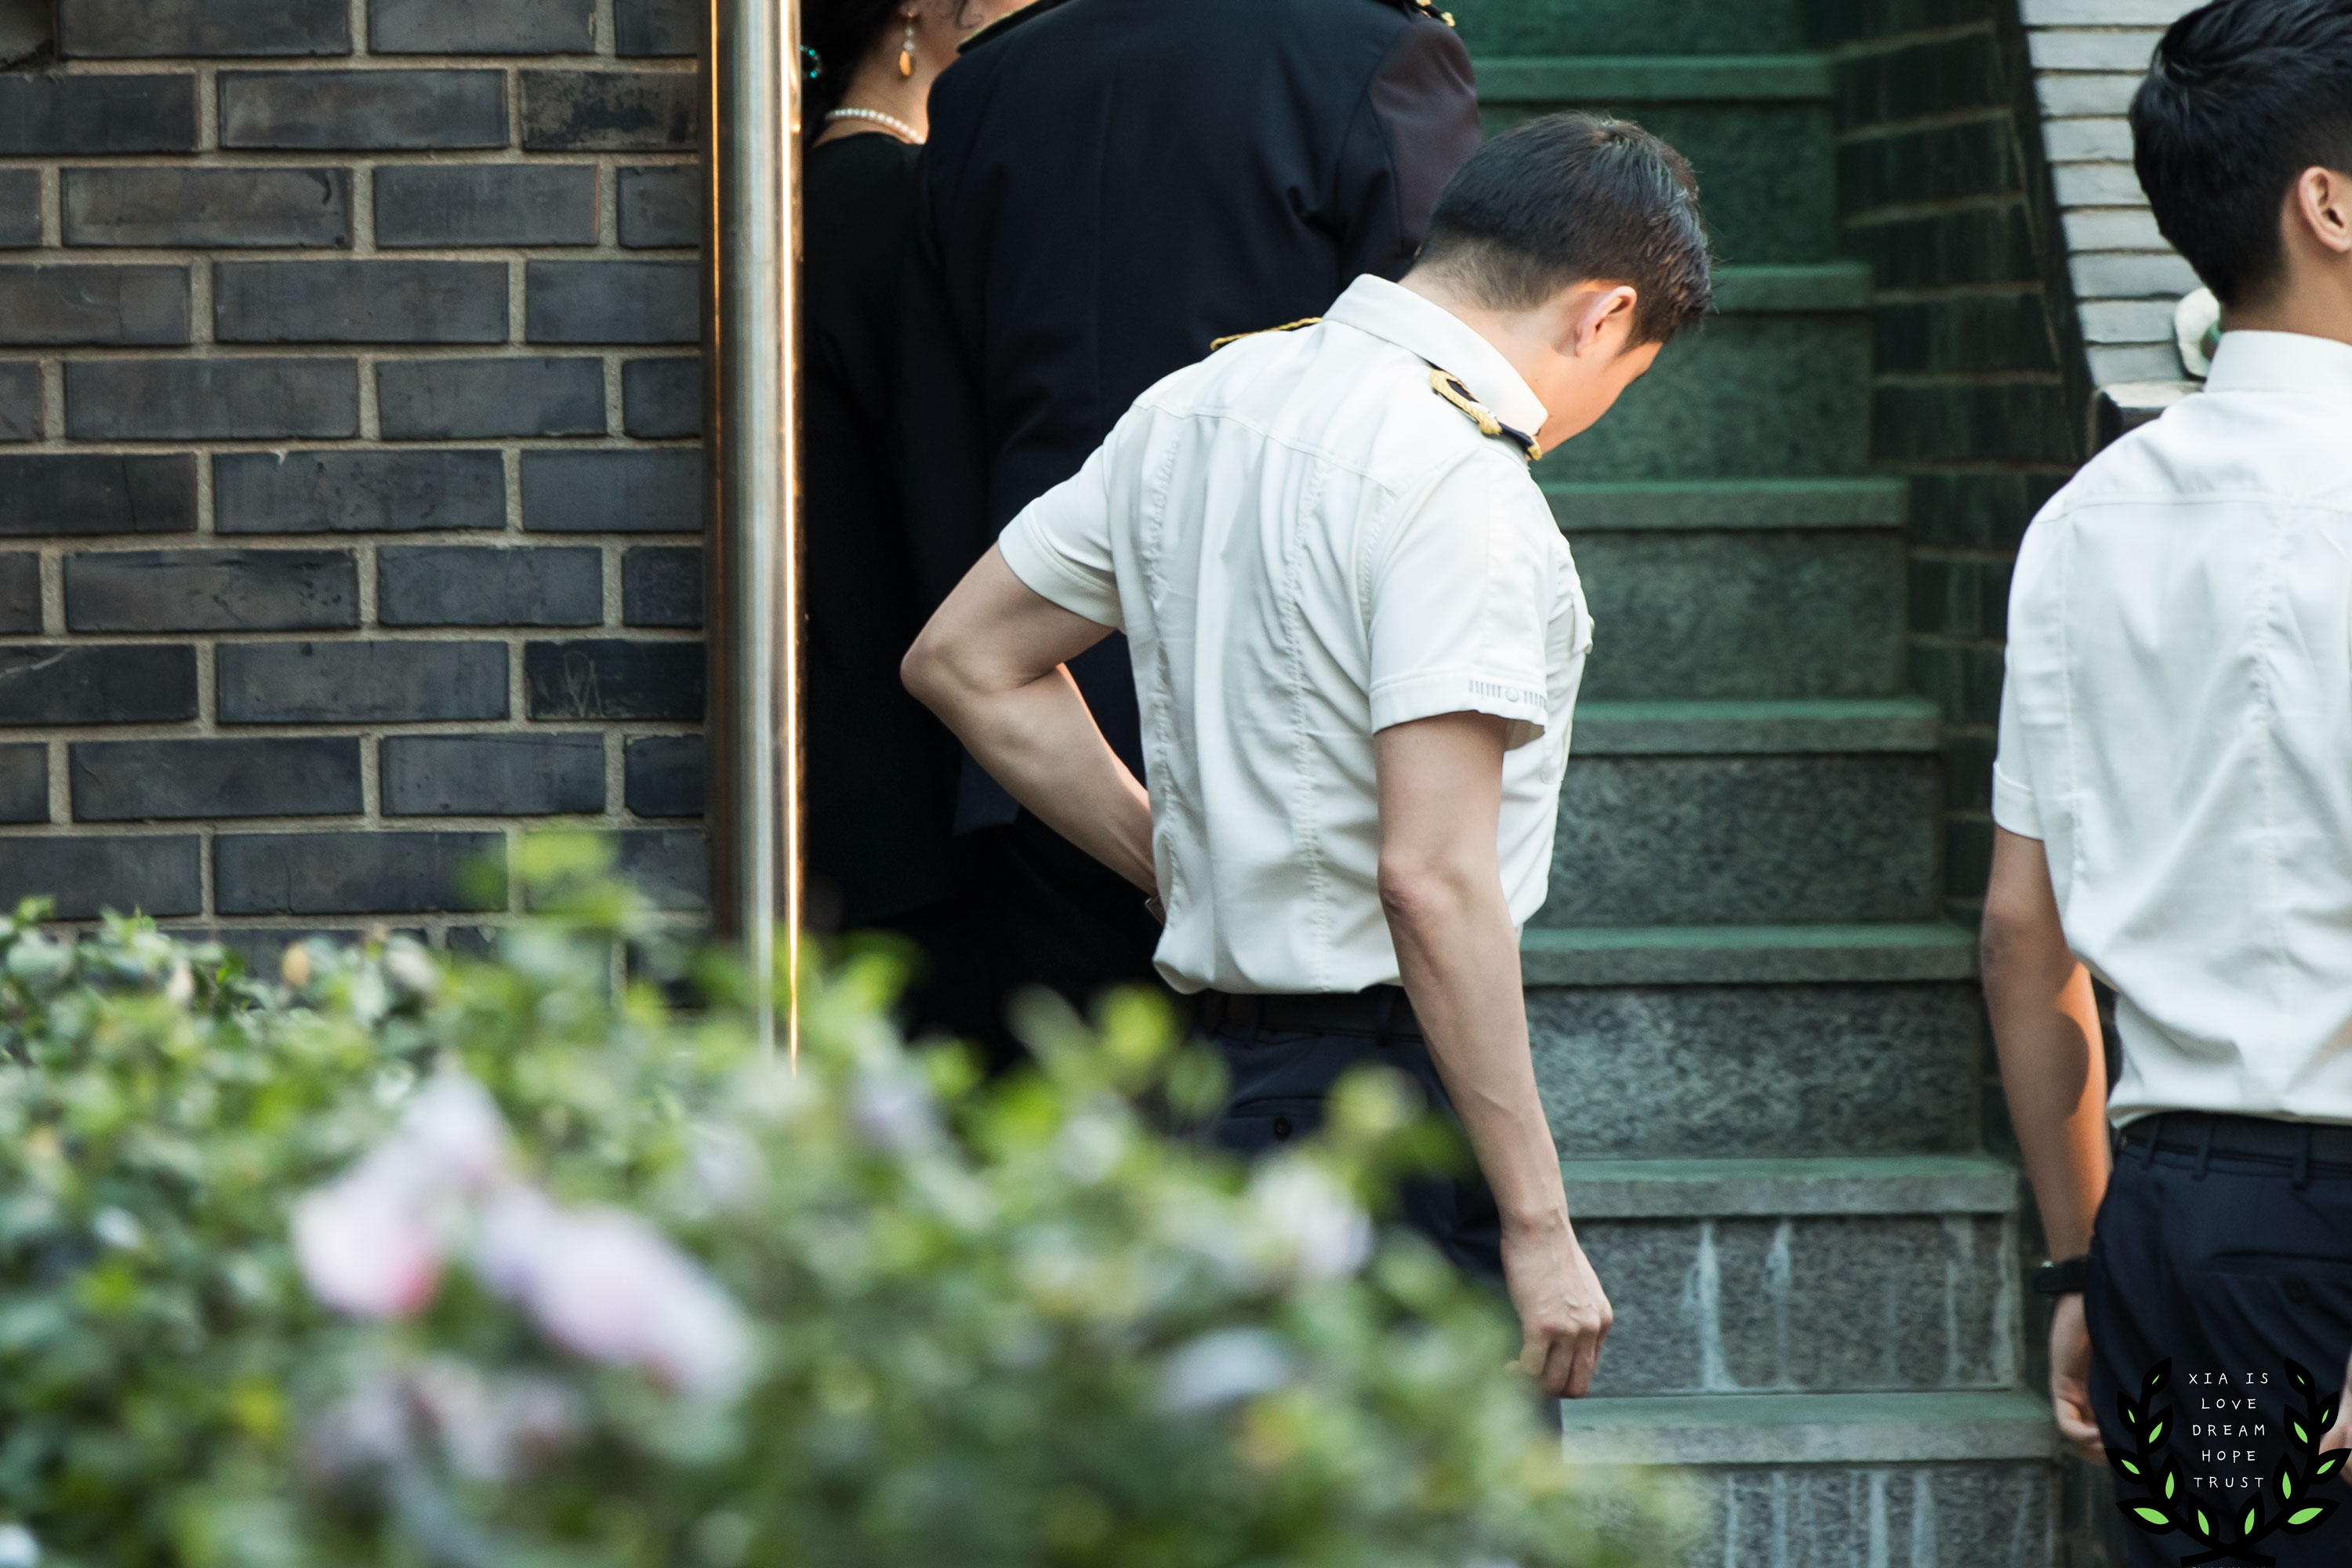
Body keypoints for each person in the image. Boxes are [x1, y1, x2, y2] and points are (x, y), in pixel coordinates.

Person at [903, 114, 1713, 1399]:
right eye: (1628, 377)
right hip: (1380, 1115)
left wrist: (1177, 858)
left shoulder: (1198, 403)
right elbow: (1432, 880)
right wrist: (1539, 1224)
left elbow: (965, 659)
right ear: (1603, 315)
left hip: (1209, 1100)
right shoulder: (1466, 490)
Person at [898, 0, 1486, 1029]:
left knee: (1075, 1110)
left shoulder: (989, 80)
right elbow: (1435, 381)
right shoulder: (1378, 53)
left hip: (1025, 708)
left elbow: (942, 427)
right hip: (1288, 728)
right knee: (1311, 1105)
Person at [1982, 2, 2352, 1554]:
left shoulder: (2085, 520)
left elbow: (2022, 933)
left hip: (2169, 1234)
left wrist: (2082, 1261)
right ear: (2329, 204)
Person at [799, 0, 1024, 1043]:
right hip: (914, 762)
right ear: (916, 11)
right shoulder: (892, 197)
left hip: (860, 732)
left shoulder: (831, 184)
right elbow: (942, 494)